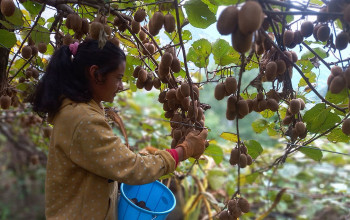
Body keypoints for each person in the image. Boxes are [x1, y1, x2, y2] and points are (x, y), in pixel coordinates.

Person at [30, 39, 208, 220]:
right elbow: (134, 169)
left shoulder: (79, 109)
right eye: (118, 78)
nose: (121, 86)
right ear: (96, 74)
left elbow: (110, 163)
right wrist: (184, 150)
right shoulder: (84, 120)